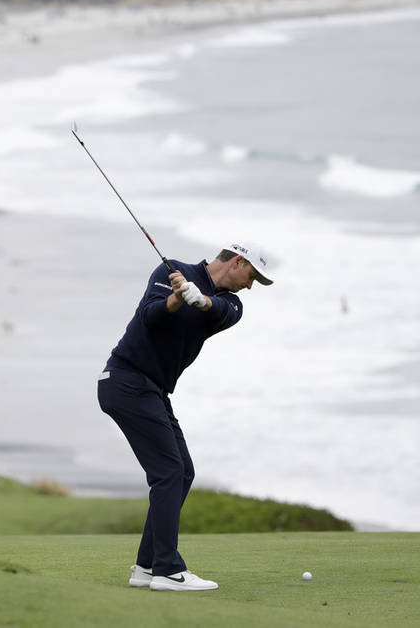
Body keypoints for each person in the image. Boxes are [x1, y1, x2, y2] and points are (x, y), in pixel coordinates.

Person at [98, 241, 274, 592]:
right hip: (126, 381)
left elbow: (217, 309)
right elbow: (150, 316)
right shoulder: (171, 271)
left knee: (183, 472)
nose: (251, 286)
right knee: (168, 472)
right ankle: (167, 569)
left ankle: (147, 567)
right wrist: (176, 299)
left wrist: (201, 299)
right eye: (251, 276)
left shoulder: (234, 305)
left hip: (152, 390)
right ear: (238, 262)